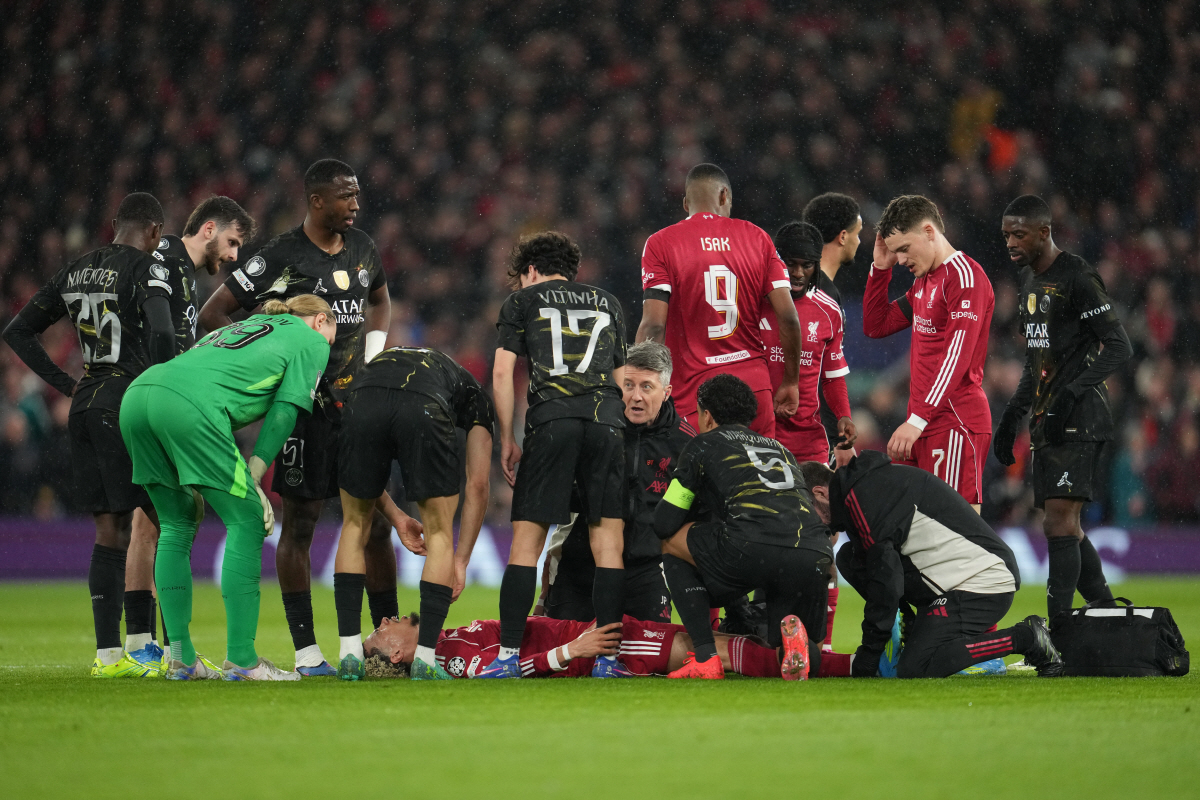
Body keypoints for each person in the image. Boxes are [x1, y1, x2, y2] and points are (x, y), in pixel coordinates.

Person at [198, 158, 402, 676]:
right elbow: (214, 313)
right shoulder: (280, 257)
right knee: (302, 524)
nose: (356, 204)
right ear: (316, 201)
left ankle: (386, 642)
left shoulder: (363, 250)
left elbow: (379, 301)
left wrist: (373, 359)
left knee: (377, 527)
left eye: (357, 195)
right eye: (346, 196)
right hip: (304, 409)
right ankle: (309, 653)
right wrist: (261, 367)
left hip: (356, 407)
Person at [3, 192, 176, 678]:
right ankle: (147, 647)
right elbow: (162, 332)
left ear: (115, 225)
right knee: (158, 519)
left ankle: (106, 658)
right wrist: (161, 386)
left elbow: (18, 331)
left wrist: (66, 384)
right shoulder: (146, 268)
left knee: (109, 529)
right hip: (128, 400)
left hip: (85, 403)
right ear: (155, 233)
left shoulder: (77, 269)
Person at [120, 295, 334, 681]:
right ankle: (242, 661)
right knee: (248, 518)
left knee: (177, 522)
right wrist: (256, 469)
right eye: (332, 334)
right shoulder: (313, 340)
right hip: (187, 405)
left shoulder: (239, 327)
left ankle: (182, 659)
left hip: (138, 396)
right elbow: (286, 409)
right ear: (321, 320)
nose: (330, 347)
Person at [482, 231, 629, 679]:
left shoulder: (522, 302)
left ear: (529, 270)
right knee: (609, 548)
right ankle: (607, 660)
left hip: (552, 423)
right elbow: (622, 379)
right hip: (606, 423)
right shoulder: (608, 303)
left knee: (526, 546)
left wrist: (506, 437)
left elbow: (504, 371)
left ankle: (507, 657)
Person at [124, 196, 256, 673]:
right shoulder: (163, 260)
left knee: (160, 522)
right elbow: (156, 333)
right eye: (233, 242)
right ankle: (143, 645)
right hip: (153, 400)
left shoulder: (183, 271)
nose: (235, 255)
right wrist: (169, 393)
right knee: (148, 523)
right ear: (209, 228)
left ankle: (164, 647)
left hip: (151, 400)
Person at [799, 454, 1065, 678]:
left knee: (916, 667)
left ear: (820, 493)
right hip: (954, 578)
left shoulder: (864, 500)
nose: (811, 523)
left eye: (807, 510)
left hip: (983, 582)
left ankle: (1026, 637)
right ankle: (915, 630)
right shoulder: (863, 490)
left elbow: (887, 583)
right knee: (850, 556)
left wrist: (869, 655)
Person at [995, 195, 1130, 622]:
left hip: (1080, 417)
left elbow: (1119, 347)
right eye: (1006, 235)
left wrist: (1071, 394)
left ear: (1044, 232)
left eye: (1019, 234)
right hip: (1045, 419)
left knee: (1057, 522)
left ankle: (1059, 630)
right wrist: (1012, 415)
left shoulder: (1077, 275)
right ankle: (1105, 613)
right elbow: (1038, 362)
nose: (1011, 243)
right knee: (1065, 525)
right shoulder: (1030, 282)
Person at [652, 374, 833, 679]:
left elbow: (664, 522)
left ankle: (706, 657)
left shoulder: (702, 445)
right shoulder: (781, 450)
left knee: (671, 542)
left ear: (706, 415)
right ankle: (794, 646)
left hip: (752, 548)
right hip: (815, 554)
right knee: (795, 651)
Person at [333, 346, 494, 681]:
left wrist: (396, 518)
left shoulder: (384, 363)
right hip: (425, 406)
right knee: (438, 534)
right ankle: (424, 659)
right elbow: (477, 485)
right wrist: (460, 561)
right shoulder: (475, 394)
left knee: (354, 525)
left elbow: (365, 481)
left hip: (363, 397)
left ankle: (348, 652)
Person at [637, 163, 802, 437]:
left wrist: (640, 386)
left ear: (686, 203)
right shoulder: (757, 238)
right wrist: (791, 382)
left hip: (696, 393)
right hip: (753, 387)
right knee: (758, 477)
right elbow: (788, 317)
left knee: (699, 477)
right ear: (724, 196)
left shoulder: (661, 243)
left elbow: (653, 326)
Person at [538, 341, 695, 623]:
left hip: (645, 570)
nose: (636, 397)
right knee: (567, 653)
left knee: (650, 656)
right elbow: (560, 494)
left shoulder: (686, 444)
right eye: (628, 385)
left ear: (667, 392)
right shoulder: (590, 429)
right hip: (581, 564)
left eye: (647, 386)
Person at [864, 195, 995, 510]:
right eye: (895, 253)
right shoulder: (924, 283)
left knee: (952, 533)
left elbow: (956, 356)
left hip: (954, 419)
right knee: (915, 530)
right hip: (926, 419)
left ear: (928, 231)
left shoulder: (964, 277)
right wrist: (880, 269)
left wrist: (918, 419)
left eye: (904, 249)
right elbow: (875, 325)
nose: (901, 261)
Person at [360, 612, 811, 681]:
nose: (383, 622)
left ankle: (834, 664)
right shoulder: (451, 660)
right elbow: (501, 673)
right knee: (693, 643)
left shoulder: (443, 636)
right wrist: (573, 650)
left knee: (698, 639)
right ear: (397, 655)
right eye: (379, 634)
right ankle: (780, 663)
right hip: (590, 648)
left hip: (579, 630)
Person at [761, 221, 856, 466]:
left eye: (807, 265)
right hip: (757, 436)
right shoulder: (754, 304)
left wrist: (843, 415)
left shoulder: (829, 310)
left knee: (816, 505)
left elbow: (832, 377)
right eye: (790, 264)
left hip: (808, 444)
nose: (798, 273)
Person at [802, 191, 863, 307]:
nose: (859, 241)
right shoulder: (818, 296)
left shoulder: (795, 284)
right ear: (843, 237)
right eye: (857, 234)